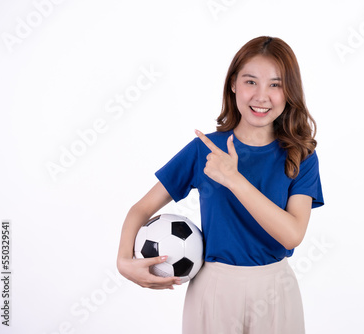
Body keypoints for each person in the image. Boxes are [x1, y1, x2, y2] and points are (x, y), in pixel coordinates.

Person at [117, 35, 324, 334]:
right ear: (233, 84)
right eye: (250, 81)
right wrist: (124, 261)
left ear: (289, 91)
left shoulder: (300, 155)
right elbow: (142, 208)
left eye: (275, 84)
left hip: (276, 289)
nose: (261, 96)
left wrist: (233, 178)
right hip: (214, 288)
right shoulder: (205, 149)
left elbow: (292, 234)